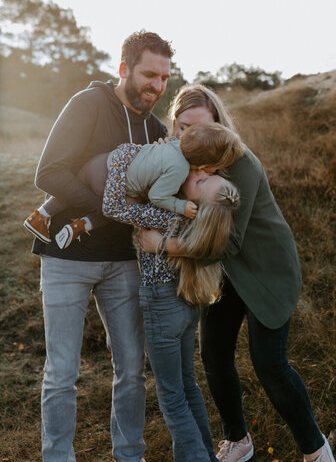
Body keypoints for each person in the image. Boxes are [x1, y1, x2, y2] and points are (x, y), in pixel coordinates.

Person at [139, 84, 336, 462]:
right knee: (213, 355)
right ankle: (238, 441)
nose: (189, 136)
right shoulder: (180, 162)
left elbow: (227, 245)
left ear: (217, 123)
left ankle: (316, 449)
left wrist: (164, 245)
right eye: (182, 127)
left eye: (199, 126)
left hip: (265, 270)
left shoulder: (240, 164)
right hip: (224, 274)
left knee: (269, 364)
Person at [30, 30, 173, 462]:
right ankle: (58, 457)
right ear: (124, 69)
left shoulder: (156, 131)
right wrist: (111, 207)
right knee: (61, 373)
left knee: (131, 370)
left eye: (165, 78)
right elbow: (49, 173)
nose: (157, 85)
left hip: (125, 262)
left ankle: (129, 455)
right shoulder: (88, 105)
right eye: (150, 74)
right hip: (66, 257)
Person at [102, 141, 240, 462]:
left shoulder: (165, 212)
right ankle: (205, 454)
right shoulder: (194, 219)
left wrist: (124, 154)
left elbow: (113, 205)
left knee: (172, 397)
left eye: (204, 181)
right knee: (188, 386)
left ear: (196, 203)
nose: (200, 172)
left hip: (162, 303)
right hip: (186, 304)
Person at [24, 123, 243, 249]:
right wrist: (180, 206)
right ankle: (80, 226)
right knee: (114, 209)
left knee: (81, 182)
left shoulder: (174, 143)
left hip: (108, 159)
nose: (211, 173)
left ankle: (41, 215)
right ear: (204, 163)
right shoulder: (180, 170)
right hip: (115, 178)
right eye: (212, 170)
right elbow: (158, 196)